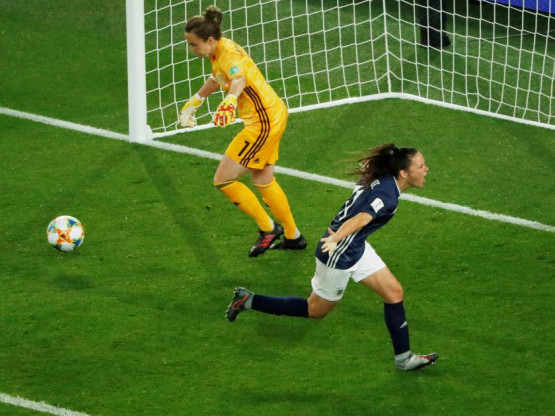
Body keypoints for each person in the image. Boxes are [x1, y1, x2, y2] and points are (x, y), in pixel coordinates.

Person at [226, 143, 438, 371]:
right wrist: (336, 239)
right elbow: (362, 219)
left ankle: (404, 359)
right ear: (404, 173)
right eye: (421, 165)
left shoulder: (386, 180)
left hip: (355, 246)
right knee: (315, 309)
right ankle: (248, 300)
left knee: (394, 292)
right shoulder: (388, 195)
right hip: (339, 251)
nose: (426, 169)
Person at [179, 5, 306, 257]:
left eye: (194, 45)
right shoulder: (220, 50)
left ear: (210, 40)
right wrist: (195, 101)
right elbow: (217, 79)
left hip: (262, 122)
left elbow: (238, 79)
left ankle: (268, 229)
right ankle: (293, 236)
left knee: (223, 179)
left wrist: (230, 100)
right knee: (263, 180)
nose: (191, 49)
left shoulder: (229, 57)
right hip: (273, 112)